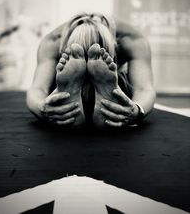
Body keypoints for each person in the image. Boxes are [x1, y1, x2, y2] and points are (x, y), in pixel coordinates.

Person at [26, 13, 156, 128]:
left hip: (114, 79)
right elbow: (39, 88)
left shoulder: (131, 39)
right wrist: (42, 108)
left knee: (120, 88)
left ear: (113, 48)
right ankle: (71, 92)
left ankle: (99, 94)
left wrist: (137, 109)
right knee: (56, 88)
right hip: (71, 85)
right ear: (65, 45)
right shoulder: (53, 41)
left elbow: (143, 88)